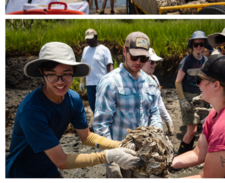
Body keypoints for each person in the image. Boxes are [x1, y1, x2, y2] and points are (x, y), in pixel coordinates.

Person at [6, 42, 143, 178]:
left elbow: (87, 136)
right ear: (42, 72)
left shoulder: (73, 99)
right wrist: (107, 156)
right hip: (21, 173)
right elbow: (61, 160)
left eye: (66, 74)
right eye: (52, 75)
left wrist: (119, 145)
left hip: (48, 168)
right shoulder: (32, 110)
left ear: (74, 72)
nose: (60, 82)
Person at [93, 32, 162, 178]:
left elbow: (154, 112)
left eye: (143, 58)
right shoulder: (110, 83)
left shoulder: (150, 83)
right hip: (120, 155)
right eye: (134, 57)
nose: (138, 61)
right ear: (125, 51)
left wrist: (157, 137)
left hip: (144, 154)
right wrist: (110, 158)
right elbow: (101, 124)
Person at [175, 31, 208, 155]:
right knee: (192, 130)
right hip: (189, 95)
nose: (199, 47)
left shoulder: (206, 60)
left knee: (204, 128)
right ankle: (180, 155)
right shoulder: (187, 61)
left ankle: (190, 154)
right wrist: (183, 99)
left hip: (203, 96)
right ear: (192, 45)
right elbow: (178, 82)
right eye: (196, 44)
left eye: (201, 44)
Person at [80, 29, 113, 114]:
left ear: (96, 37)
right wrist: (82, 82)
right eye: (87, 39)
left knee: (103, 105)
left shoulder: (104, 49)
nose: (89, 41)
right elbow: (84, 66)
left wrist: (111, 81)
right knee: (92, 106)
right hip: (90, 83)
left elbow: (109, 66)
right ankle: (97, 123)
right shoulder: (85, 50)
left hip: (102, 82)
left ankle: (103, 124)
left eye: (91, 39)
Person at [142, 48, 174, 136]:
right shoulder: (136, 81)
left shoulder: (154, 79)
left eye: (156, 62)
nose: (155, 64)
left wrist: (168, 120)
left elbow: (159, 102)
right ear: (142, 61)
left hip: (154, 124)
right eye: (152, 62)